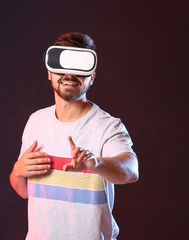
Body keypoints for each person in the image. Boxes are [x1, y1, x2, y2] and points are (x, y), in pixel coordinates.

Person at [10, 32, 139, 240]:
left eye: (79, 67)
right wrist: (17, 171)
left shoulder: (107, 126)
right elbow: (24, 190)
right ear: (49, 73)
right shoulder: (36, 121)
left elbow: (131, 170)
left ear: (92, 77)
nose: (69, 75)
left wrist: (95, 163)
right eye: (62, 66)